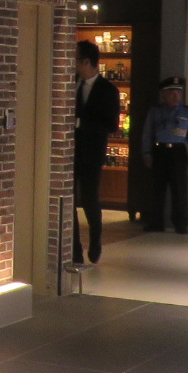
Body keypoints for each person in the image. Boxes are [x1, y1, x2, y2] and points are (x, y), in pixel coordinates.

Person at [72, 40, 122, 267]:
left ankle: (95, 241)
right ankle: (74, 248)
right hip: (70, 153)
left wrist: (80, 122)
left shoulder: (108, 90)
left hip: (92, 152)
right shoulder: (70, 85)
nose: (73, 65)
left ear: (86, 62)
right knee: (68, 200)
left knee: (90, 199)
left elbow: (111, 125)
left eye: (76, 60)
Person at [141, 76, 188, 234]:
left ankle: (181, 224)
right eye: (172, 92)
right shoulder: (155, 112)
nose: (176, 96)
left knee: (180, 190)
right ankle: (156, 223)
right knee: (157, 189)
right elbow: (147, 133)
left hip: (178, 152)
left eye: (178, 92)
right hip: (159, 151)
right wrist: (146, 153)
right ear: (164, 94)